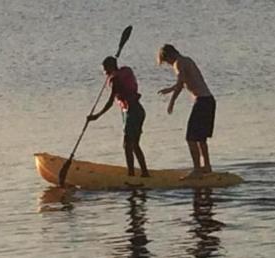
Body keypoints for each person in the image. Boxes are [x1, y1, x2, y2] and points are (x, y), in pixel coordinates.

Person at [157, 44, 216, 179]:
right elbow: (183, 82)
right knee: (201, 138)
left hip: (201, 102)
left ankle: (197, 169)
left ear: (169, 56)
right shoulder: (187, 60)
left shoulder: (178, 63)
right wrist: (170, 89)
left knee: (191, 138)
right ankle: (206, 166)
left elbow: (180, 83)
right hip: (209, 100)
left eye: (166, 62)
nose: (169, 64)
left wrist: (172, 101)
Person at [87, 56, 149, 177]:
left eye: (105, 70)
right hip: (135, 111)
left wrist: (97, 116)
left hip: (133, 112)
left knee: (128, 144)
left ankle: (132, 174)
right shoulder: (121, 74)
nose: (104, 73)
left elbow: (110, 101)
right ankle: (143, 172)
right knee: (133, 144)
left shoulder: (115, 80)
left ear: (110, 67)